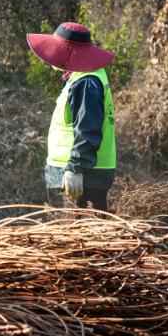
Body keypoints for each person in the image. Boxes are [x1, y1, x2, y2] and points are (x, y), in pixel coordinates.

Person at [26, 22, 116, 211]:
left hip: (80, 178)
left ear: (69, 54)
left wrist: (75, 169)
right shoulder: (80, 77)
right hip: (74, 174)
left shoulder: (87, 82)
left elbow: (87, 130)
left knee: (79, 228)